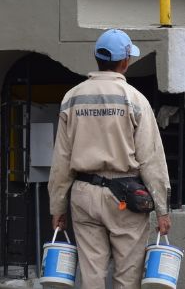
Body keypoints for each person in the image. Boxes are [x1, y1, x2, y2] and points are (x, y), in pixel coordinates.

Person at [48, 29, 172, 288]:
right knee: (127, 274)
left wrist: (57, 206)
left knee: (91, 273)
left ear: (97, 58)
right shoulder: (135, 99)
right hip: (124, 197)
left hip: (83, 194)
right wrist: (162, 209)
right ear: (125, 61)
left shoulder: (72, 98)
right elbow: (151, 159)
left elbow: (61, 159)